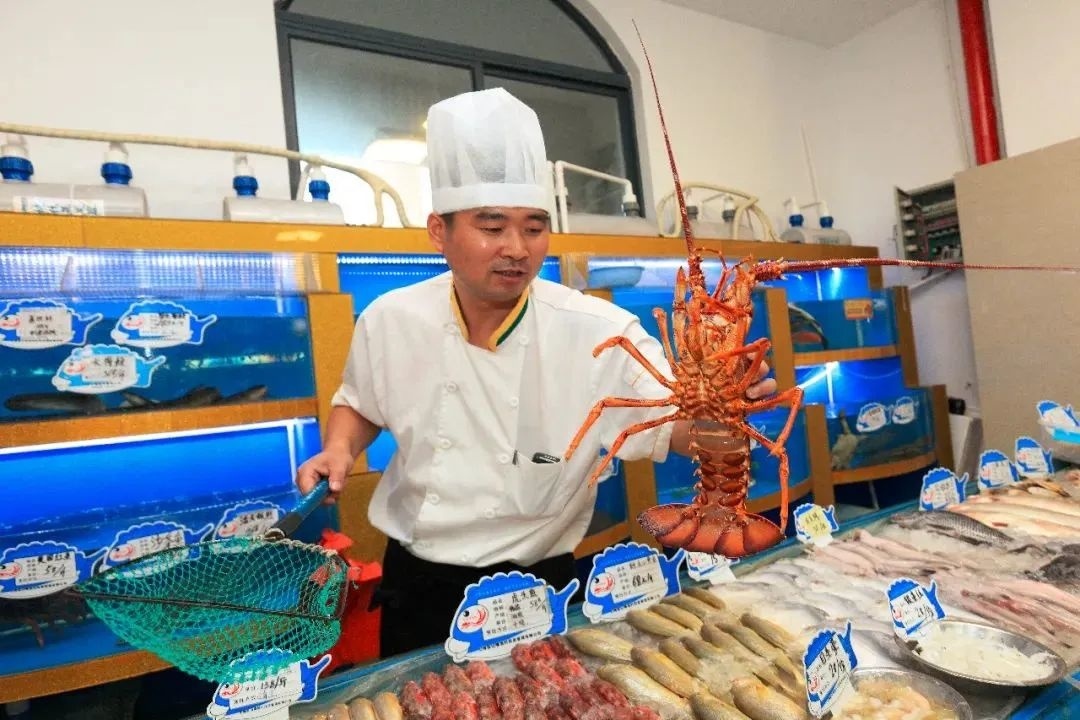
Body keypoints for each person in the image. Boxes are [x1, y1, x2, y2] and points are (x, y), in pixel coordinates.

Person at [294, 87, 777, 658]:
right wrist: (340, 448)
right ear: (438, 231)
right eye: (492, 226)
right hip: (416, 582)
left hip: (538, 587)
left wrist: (723, 417)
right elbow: (360, 403)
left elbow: (672, 427)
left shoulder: (601, 330)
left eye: (533, 227)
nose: (517, 249)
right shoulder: (390, 318)